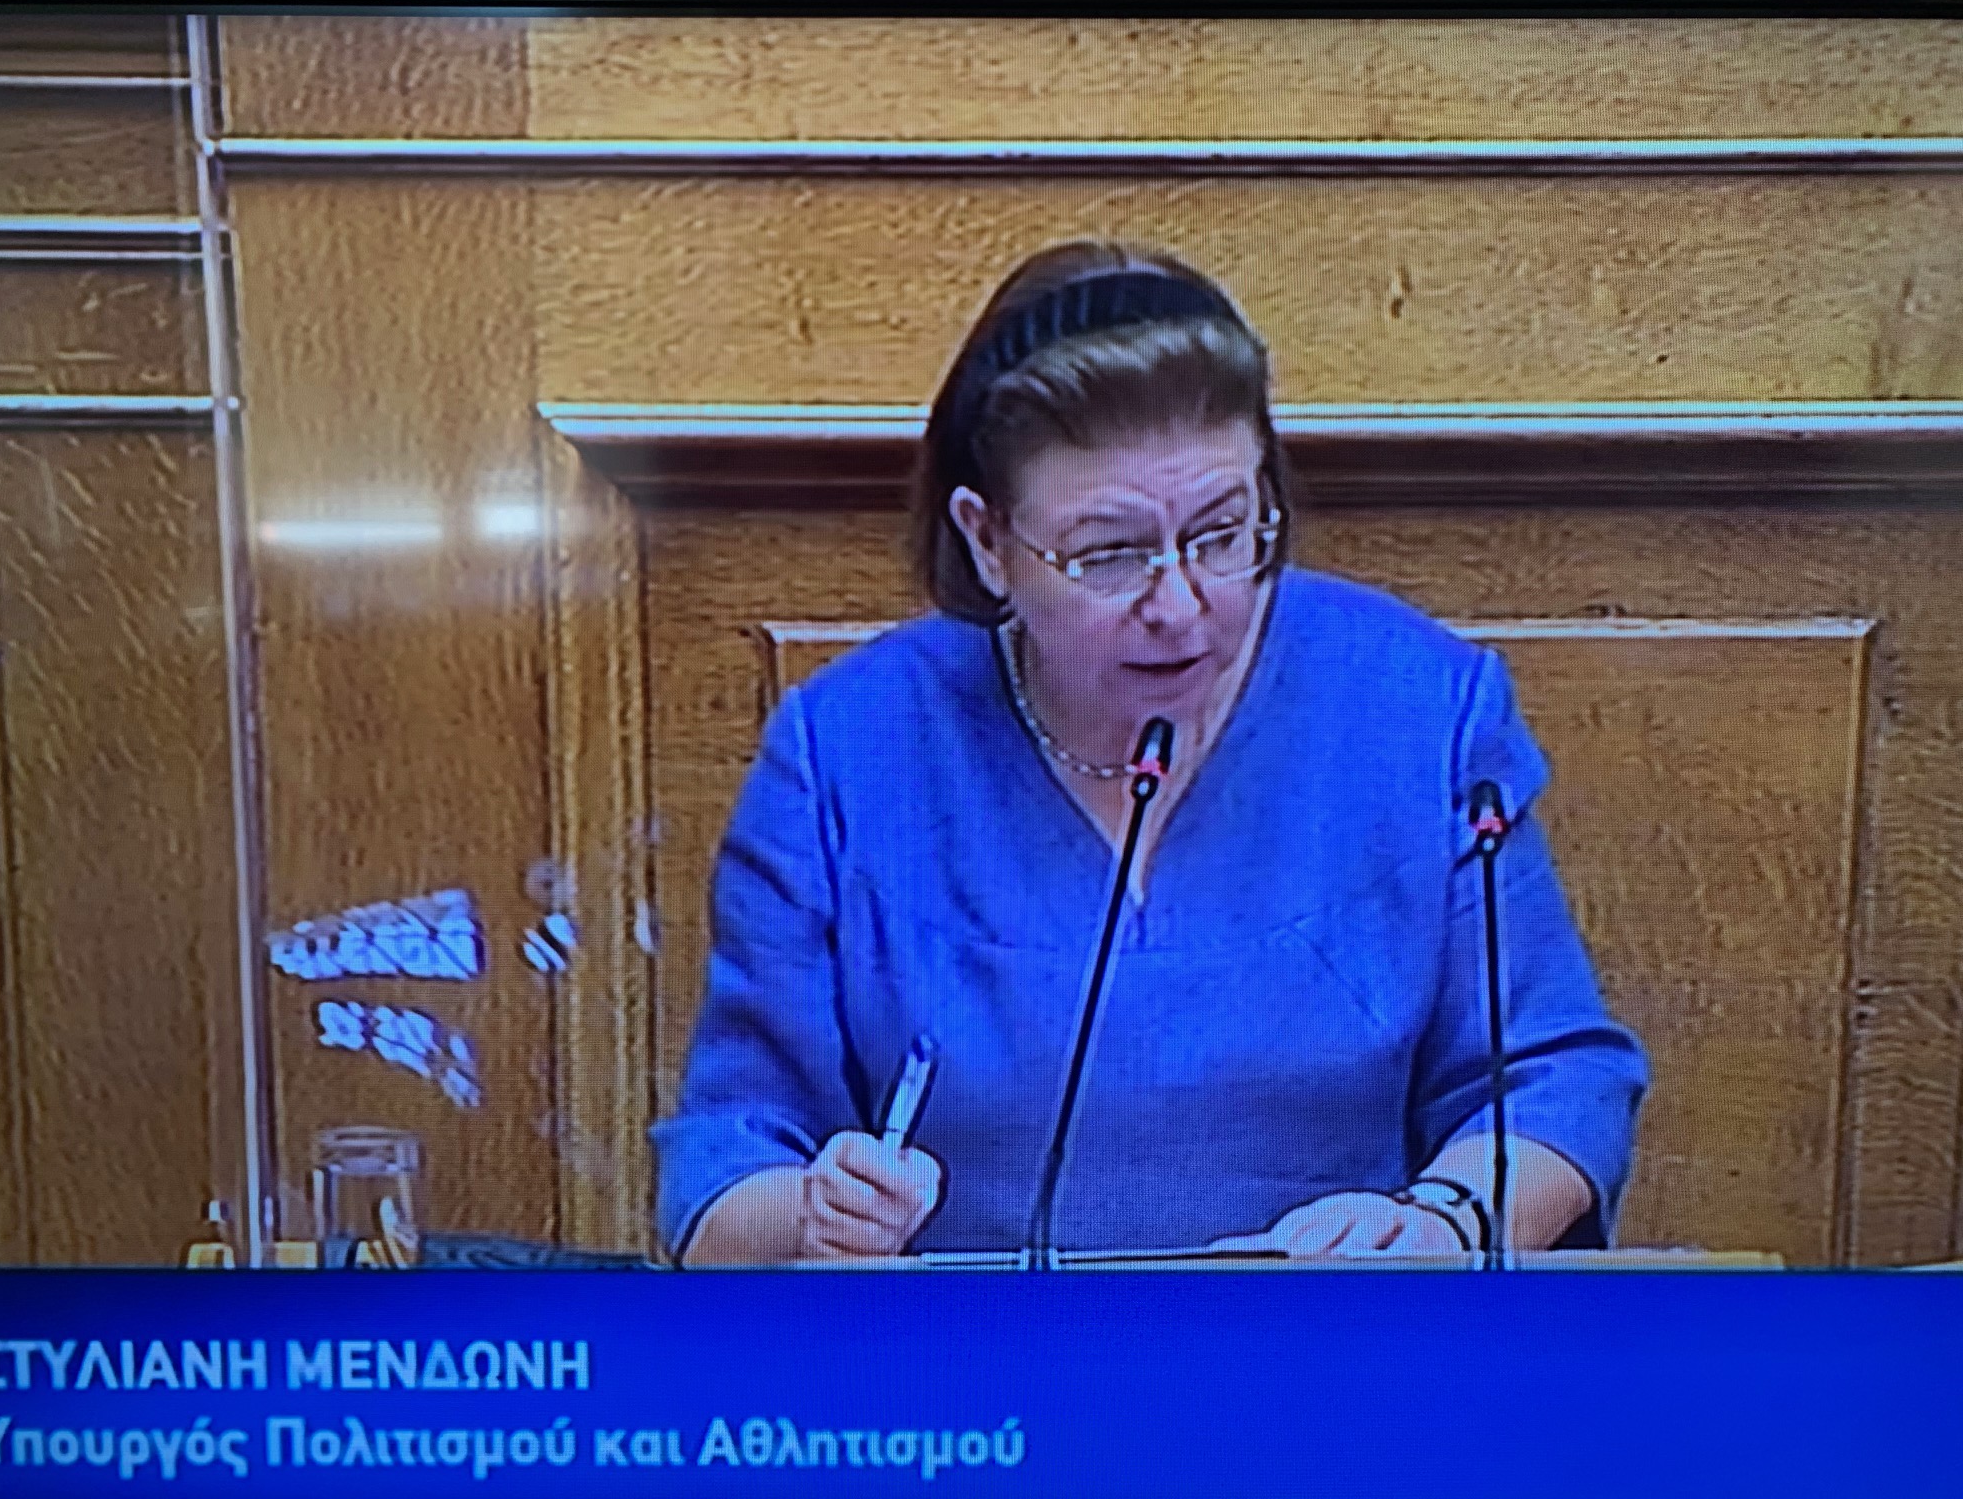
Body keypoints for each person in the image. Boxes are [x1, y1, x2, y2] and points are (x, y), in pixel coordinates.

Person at [651, 239, 1649, 1265]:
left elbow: (1557, 1079)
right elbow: (726, 1163)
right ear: (989, 542)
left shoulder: (1420, 706)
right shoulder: (847, 748)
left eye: (1222, 534)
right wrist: (811, 1217)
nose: (1179, 606)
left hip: (1335, 1347)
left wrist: (1446, 1220)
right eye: (1109, 555)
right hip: (972, 1360)